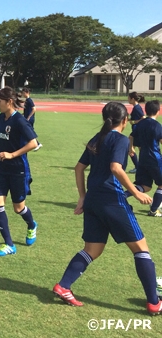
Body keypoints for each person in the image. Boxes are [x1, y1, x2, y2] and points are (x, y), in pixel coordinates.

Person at [52, 102, 162, 315]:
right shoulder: (119, 139)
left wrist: (83, 196)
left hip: (93, 199)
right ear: (124, 120)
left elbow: (79, 168)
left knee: (93, 249)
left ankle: (64, 286)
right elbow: (116, 168)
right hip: (112, 200)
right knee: (141, 249)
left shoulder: (97, 138)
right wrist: (137, 192)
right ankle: (154, 302)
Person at [0, 87, 38, 256]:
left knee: (18, 208)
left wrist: (12, 154)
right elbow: (5, 140)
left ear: (8, 102)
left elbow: (33, 143)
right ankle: (9, 244)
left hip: (18, 170)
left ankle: (31, 225)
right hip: (0, 169)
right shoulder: (1, 118)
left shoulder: (20, 121)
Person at [128, 100, 162, 216]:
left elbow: (131, 136)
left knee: (145, 186)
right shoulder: (157, 125)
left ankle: (121, 196)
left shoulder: (141, 123)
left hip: (143, 158)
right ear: (158, 111)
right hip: (155, 158)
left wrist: (131, 148)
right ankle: (153, 210)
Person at [128, 92, 146, 174]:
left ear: (132, 99)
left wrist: (135, 122)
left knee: (130, 148)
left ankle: (138, 167)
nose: (127, 99)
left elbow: (143, 118)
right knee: (141, 150)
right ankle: (141, 167)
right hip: (138, 131)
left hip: (137, 132)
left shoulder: (137, 108)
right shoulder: (136, 107)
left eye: (128, 98)